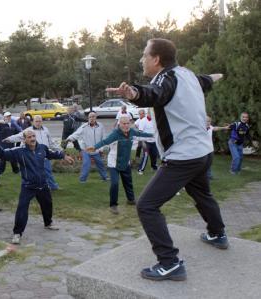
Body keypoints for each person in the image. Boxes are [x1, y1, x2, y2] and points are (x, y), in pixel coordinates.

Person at [107, 38, 225, 281]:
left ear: (156, 59)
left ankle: (169, 262)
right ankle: (217, 234)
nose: (142, 59)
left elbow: (154, 94)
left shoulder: (164, 78)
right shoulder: (187, 75)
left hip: (183, 156)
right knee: (202, 194)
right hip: (203, 153)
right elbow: (206, 80)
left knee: (147, 206)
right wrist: (218, 75)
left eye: (144, 55)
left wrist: (133, 92)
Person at [0, 132, 74, 244]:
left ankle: (48, 223)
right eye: (29, 137)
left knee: (47, 204)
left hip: (42, 184)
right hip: (28, 186)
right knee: (22, 209)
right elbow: (3, 155)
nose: (32, 139)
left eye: (33, 136)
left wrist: (64, 156)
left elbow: (51, 154)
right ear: (24, 140)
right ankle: (17, 233)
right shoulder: (19, 152)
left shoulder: (42, 148)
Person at [87, 117, 154, 214]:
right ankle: (113, 205)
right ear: (119, 124)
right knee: (114, 183)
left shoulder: (131, 132)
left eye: (128, 123)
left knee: (128, 182)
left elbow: (141, 134)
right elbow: (104, 141)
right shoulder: (115, 134)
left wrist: (154, 135)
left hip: (125, 162)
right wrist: (94, 147)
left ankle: (131, 200)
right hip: (114, 163)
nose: (126, 125)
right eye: (124, 123)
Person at [4, 115, 62, 190]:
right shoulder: (28, 130)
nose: (38, 123)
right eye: (36, 121)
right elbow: (19, 136)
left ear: (42, 121)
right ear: (33, 122)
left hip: (44, 155)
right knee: (31, 174)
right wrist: (9, 139)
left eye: (40, 121)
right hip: (32, 156)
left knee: (48, 172)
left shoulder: (45, 130)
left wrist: (59, 149)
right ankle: (28, 187)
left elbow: (51, 142)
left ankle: (53, 186)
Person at [65, 112, 108, 183]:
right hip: (86, 150)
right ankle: (82, 180)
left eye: (93, 116)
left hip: (96, 150)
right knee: (86, 165)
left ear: (96, 117)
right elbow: (76, 134)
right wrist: (67, 140)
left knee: (100, 164)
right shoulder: (84, 126)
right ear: (88, 118)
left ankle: (105, 177)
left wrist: (101, 149)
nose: (91, 118)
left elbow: (104, 138)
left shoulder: (101, 126)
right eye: (90, 117)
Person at [136, 109, 159, 174]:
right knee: (145, 156)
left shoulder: (154, 120)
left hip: (154, 142)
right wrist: (143, 142)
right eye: (152, 113)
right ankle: (140, 170)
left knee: (154, 155)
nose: (153, 115)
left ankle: (154, 167)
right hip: (146, 142)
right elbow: (140, 132)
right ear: (148, 113)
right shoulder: (143, 121)